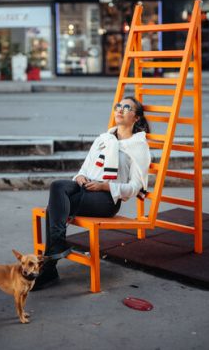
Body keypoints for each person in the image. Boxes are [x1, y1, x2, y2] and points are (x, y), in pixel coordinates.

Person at [32, 96, 151, 291]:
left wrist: (105, 186)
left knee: (55, 206)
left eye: (127, 107)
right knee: (57, 187)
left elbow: (135, 188)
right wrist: (80, 177)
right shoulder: (103, 139)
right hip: (85, 189)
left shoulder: (138, 147)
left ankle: (50, 266)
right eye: (118, 106)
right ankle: (57, 248)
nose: (120, 109)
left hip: (106, 200)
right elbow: (85, 168)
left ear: (136, 118)